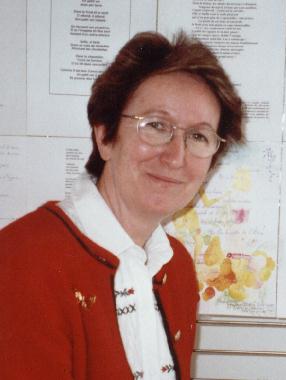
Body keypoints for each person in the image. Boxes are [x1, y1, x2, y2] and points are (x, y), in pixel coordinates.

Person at [0, 31, 243, 379]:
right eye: (156, 125)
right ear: (105, 136)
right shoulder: (19, 261)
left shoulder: (176, 270)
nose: (176, 157)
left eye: (198, 136)